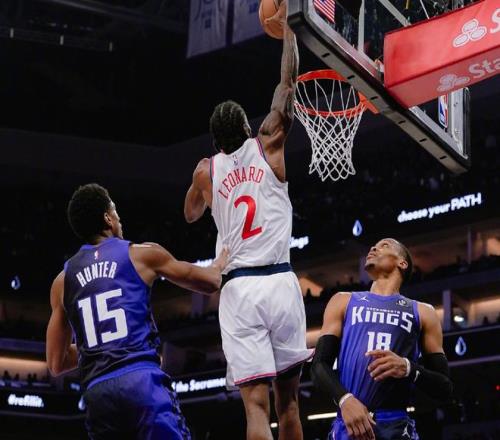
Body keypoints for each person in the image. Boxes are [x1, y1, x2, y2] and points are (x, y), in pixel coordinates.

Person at [183, 3, 312, 439]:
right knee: (289, 403)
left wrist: (201, 185)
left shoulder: (206, 171)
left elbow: (190, 215)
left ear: (215, 140)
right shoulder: (269, 144)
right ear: (246, 126)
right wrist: (289, 31)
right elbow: (286, 85)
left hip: (238, 289)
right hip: (279, 281)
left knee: (255, 409)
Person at [46, 183, 228, 440]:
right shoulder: (141, 254)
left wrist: (101, 344)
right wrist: (221, 261)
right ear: (107, 218)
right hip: (140, 381)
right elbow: (210, 282)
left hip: (98, 395)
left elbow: (56, 363)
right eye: (115, 211)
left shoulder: (62, 282)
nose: (119, 218)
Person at [311, 238, 453, 440]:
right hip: (350, 421)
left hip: (396, 426)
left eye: (384, 245)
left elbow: (444, 387)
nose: (373, 248)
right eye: (374, 246)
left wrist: (408, 368)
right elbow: (318, 365)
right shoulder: (343, 300)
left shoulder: (423, 312)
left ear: (402, 263)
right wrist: (344, 399)